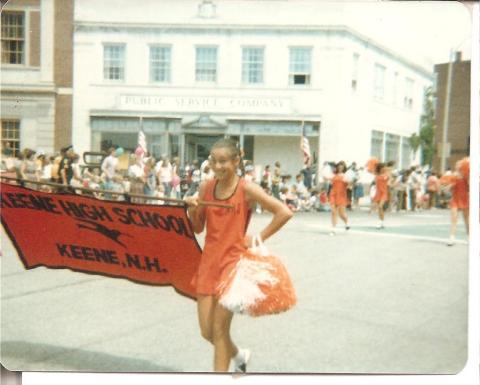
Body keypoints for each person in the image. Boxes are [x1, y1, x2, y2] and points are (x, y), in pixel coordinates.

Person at [184, 138, 293, 373]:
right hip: (208, 263)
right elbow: (197, 228)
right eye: (213, 161)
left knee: (220, 330)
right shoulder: (206, 188)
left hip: (234, 266)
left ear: (236, 161)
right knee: (207, 332)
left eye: (223, 161)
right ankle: (239, 355)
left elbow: (283, 212)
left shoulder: (247, 188)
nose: (218, 166)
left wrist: (257, 239)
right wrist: (192, 210)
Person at [442, 159, 469, 246]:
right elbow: (451, 186)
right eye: (457, 165)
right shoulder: (453, 176)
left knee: (467, 219)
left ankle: (469, 237)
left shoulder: (466, 176)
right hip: (455, 199)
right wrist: (446, 187)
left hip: (465, 198)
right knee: (454, 219)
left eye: (459, 165)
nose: (458, 166)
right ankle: (452, 238)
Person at [325, 161, 350, 236]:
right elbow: (327, 179)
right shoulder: (333, 175)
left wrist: (348, 182)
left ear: (344, 168)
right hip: (333, 194)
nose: (340, 168)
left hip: (342, 195)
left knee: (341, 214)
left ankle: (347, 222)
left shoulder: (346, 175)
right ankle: (333, 229)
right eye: (339, 166)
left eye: (342, 167)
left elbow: (349, 185)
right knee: (333, 212)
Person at [372, 162, 391, 229]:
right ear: (380, 169)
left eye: (384, 168)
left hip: (384, 193)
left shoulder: (387, 175)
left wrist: (387, 171)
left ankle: (380, 222)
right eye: (382, 168)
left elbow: (389, 179)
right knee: (380, 209)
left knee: (380, 207)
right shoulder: (376, 175)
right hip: (378, 193)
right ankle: (381, 222)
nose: (384, 169)